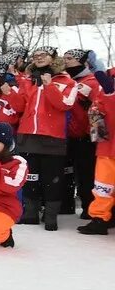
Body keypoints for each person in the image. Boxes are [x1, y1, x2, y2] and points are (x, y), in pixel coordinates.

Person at [15, 46, 78, 230]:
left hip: (52, 137)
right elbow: (20, 106)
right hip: (28, 135)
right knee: (31, 177)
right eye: (35, 56)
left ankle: (50, 216)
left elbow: (65, 104)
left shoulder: (67, 81)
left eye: (43, 55)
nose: (39, 58)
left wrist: (49, 85)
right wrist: (8, 92)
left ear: (53, 58)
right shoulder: (28, 80)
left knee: (52, 179)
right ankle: (31, 213)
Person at [60, 49, 98, 217]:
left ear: (81, 61)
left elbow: (99, 107)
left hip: (86, 137)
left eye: (70, 59)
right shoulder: (64, 80)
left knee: (86, 174)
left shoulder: (92, 81)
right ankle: (66, 204)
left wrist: (95, 134)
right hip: (66, 135)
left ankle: (90, 207)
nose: (66, 61)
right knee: (66, 172)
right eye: (64, 58)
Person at [79, 70, 115, 235]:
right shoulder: (107, 79)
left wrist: (110, 96)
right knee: (102, 187)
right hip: (107, 146)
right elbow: (99, 106)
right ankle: (100, 219)